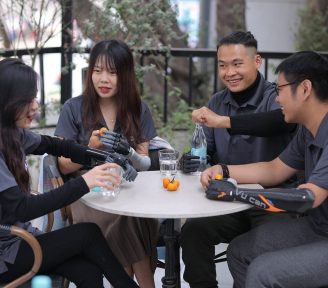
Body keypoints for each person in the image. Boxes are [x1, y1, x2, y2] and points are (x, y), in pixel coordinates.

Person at [0, 58, 139, 288]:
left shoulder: (9, 133)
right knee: (87, 233)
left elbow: (56, 145)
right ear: (6, 102)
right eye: (28, 100)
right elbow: (22, 208)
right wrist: (84, 183)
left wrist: (102, 157)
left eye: (34, 97)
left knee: (87, 271)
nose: (35, 106)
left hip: (19, 242)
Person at [179, 31, 298, 288]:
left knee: (251, 252)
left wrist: (223, 121)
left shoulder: (276, 97)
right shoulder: (217, 102)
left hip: (272, 203)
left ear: (257, 61)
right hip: (227, 200)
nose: (229, 72)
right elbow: (205, 154)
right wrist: (190, 160)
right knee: (192, 232)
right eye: (223, 65)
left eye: (237, 64)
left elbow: (279, 121)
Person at [201, 50, 328, 288]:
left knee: (263, 271)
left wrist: (234, 192)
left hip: (321, 233)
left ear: (305, 89)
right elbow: (274, 169)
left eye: (280, 90)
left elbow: (307, 197)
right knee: (240, 251)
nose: (277, 99)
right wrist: (223, 170)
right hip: (318, 227)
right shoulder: (307, 129)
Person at [55, 39, 158, 288]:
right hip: (86, 194)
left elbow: (144, 163)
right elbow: (62, 165)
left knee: (135, 215)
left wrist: (129, 152)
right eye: (98, 71)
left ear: (125, 75)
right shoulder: (74, 108)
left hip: (128, 190)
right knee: (130, 218)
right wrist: (90, 149)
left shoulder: (137, 109)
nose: (104, 79)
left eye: (112, 73)